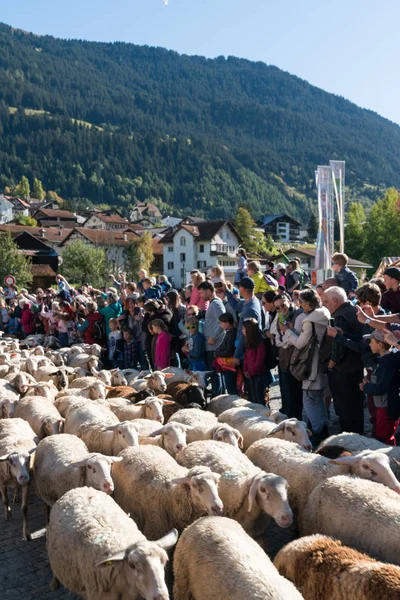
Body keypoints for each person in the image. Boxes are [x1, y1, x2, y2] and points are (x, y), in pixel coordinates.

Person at [281, 289, 330, 445]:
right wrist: (294, 330)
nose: (299, 304)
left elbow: (301, 343)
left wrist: (287, 331)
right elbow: (308, 337)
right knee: (318, 400)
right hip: (320, 363)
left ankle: (317, 431)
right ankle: (323, 429)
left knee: (309, 401)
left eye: (301, 302)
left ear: (309, 303)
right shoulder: (322, 314)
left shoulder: (310, 320)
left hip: (311, 366)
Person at [320, 286, 364, 434]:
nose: (324, 305)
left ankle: (349, 443)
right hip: (355, 368)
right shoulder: (353, 311)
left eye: (326, 301)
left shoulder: (339, 316)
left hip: (343, 372)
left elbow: (338, 344)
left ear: (335, 300)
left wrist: (332, 362)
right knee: (356, 409)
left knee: (346, 411)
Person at [360, 329, 400, 445]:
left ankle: (391, 462)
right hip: (385, 407)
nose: (369, 344)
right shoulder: (385, 360)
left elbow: (381, 388)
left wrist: (366, 386)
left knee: (385, 441)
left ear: (380, 345)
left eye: (371, 341)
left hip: (386, 408)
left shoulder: (386, 364)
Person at [270, 293, 304, 417]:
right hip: (285, 360)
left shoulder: (299, 315)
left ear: (289, 302)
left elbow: (293, 340)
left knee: (295, 395)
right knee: (287, 392)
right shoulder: (280, 316)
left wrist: (286, 335)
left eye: (283, 305)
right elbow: (278, 338)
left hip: (296, 360)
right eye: (278, 307)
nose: (281, 309)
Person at [224, 276, 262, 365]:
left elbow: (245, 335)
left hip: (245, 350)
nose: (238, 289)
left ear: (243, 289)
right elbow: (237, 306)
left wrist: (237, 355)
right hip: (245, 347)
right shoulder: (251, 301)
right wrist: (227, 291)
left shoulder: (250, 308)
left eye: (239, 287)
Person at [197, 280, 226, 397]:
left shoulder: (216, 303)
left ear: (209, 291)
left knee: (215, 374)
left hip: (214, 346)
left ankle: (218, 397)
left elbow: (223, 321)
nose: (200, 296)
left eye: (201, 293)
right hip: (211, 345)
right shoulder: (213, 303)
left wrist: (213, 337)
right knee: (215, 373)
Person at [242, 318, 269, 405]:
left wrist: (251, 371)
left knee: (260, 398)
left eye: (243, 328)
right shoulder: (248, 342)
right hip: (251, 374)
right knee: (254, 397)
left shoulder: (259, 344)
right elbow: (246, 358)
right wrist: (246, 370)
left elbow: (259, 361)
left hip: (259, 375)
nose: (242, 331)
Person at [215, 312, 237, 394]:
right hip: (227, 366)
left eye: (221, 323)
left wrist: (217, 353)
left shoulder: (232, 334)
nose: (220, 325)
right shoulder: (229, 332)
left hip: (230, 365)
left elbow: (229, 351)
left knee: (232, 388)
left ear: (227, 323)